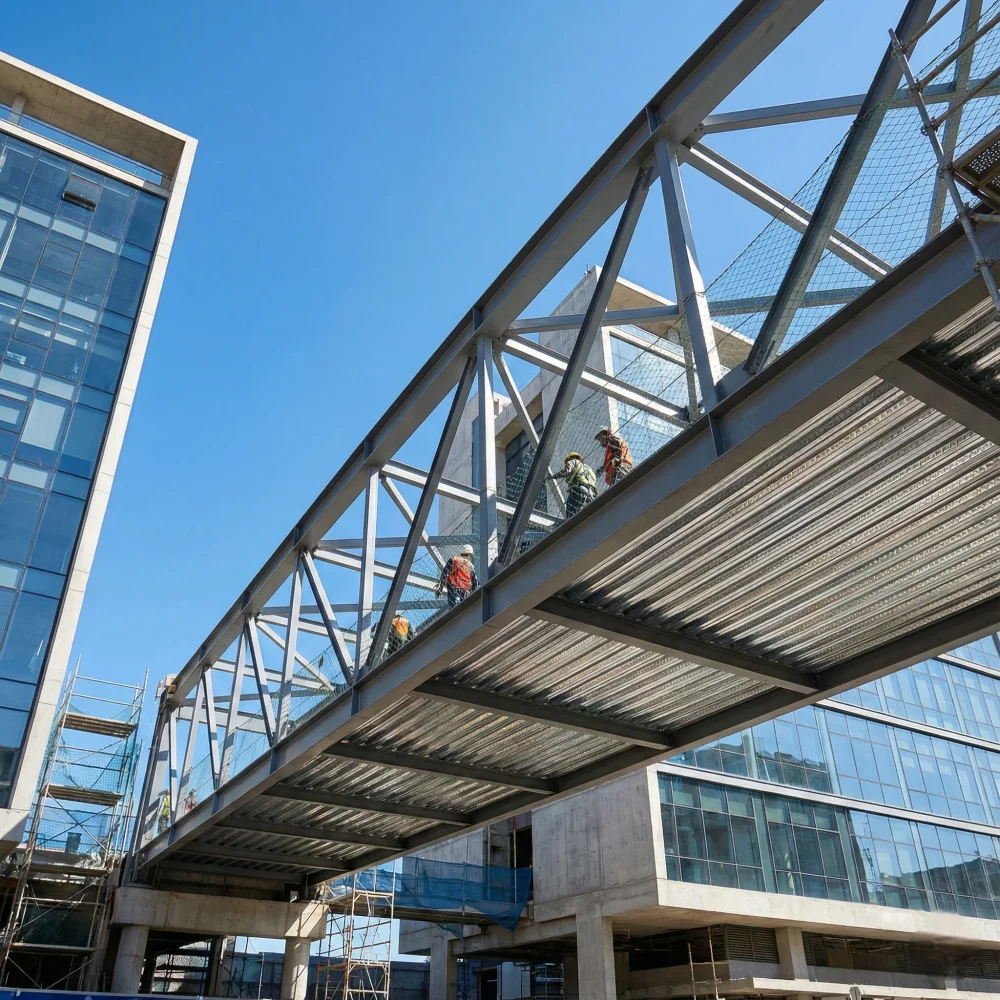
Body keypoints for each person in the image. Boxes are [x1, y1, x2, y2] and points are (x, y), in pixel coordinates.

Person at [548, 452, 597, 517]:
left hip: (578, 489)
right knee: (579, 511)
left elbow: (566, 472)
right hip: (588, 493)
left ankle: (569, 525)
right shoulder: (587, 468)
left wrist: (553, 476)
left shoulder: (572, 461)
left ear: (570, 458)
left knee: (570, 510)